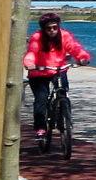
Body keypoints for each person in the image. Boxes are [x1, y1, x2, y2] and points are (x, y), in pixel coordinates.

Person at [23, 10, 91, 147]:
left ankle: (64, 115)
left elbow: (74, 48)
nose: (52, 31)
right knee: (41, 99)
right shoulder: (37, 37)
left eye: (55, 27)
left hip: (58, 70)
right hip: (39, 72)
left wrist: (82, 57)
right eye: (49, 28)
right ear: (43, 29)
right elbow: (32, 52)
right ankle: (41, 129)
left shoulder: (64, 36)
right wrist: (30, 64)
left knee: (63, 91)